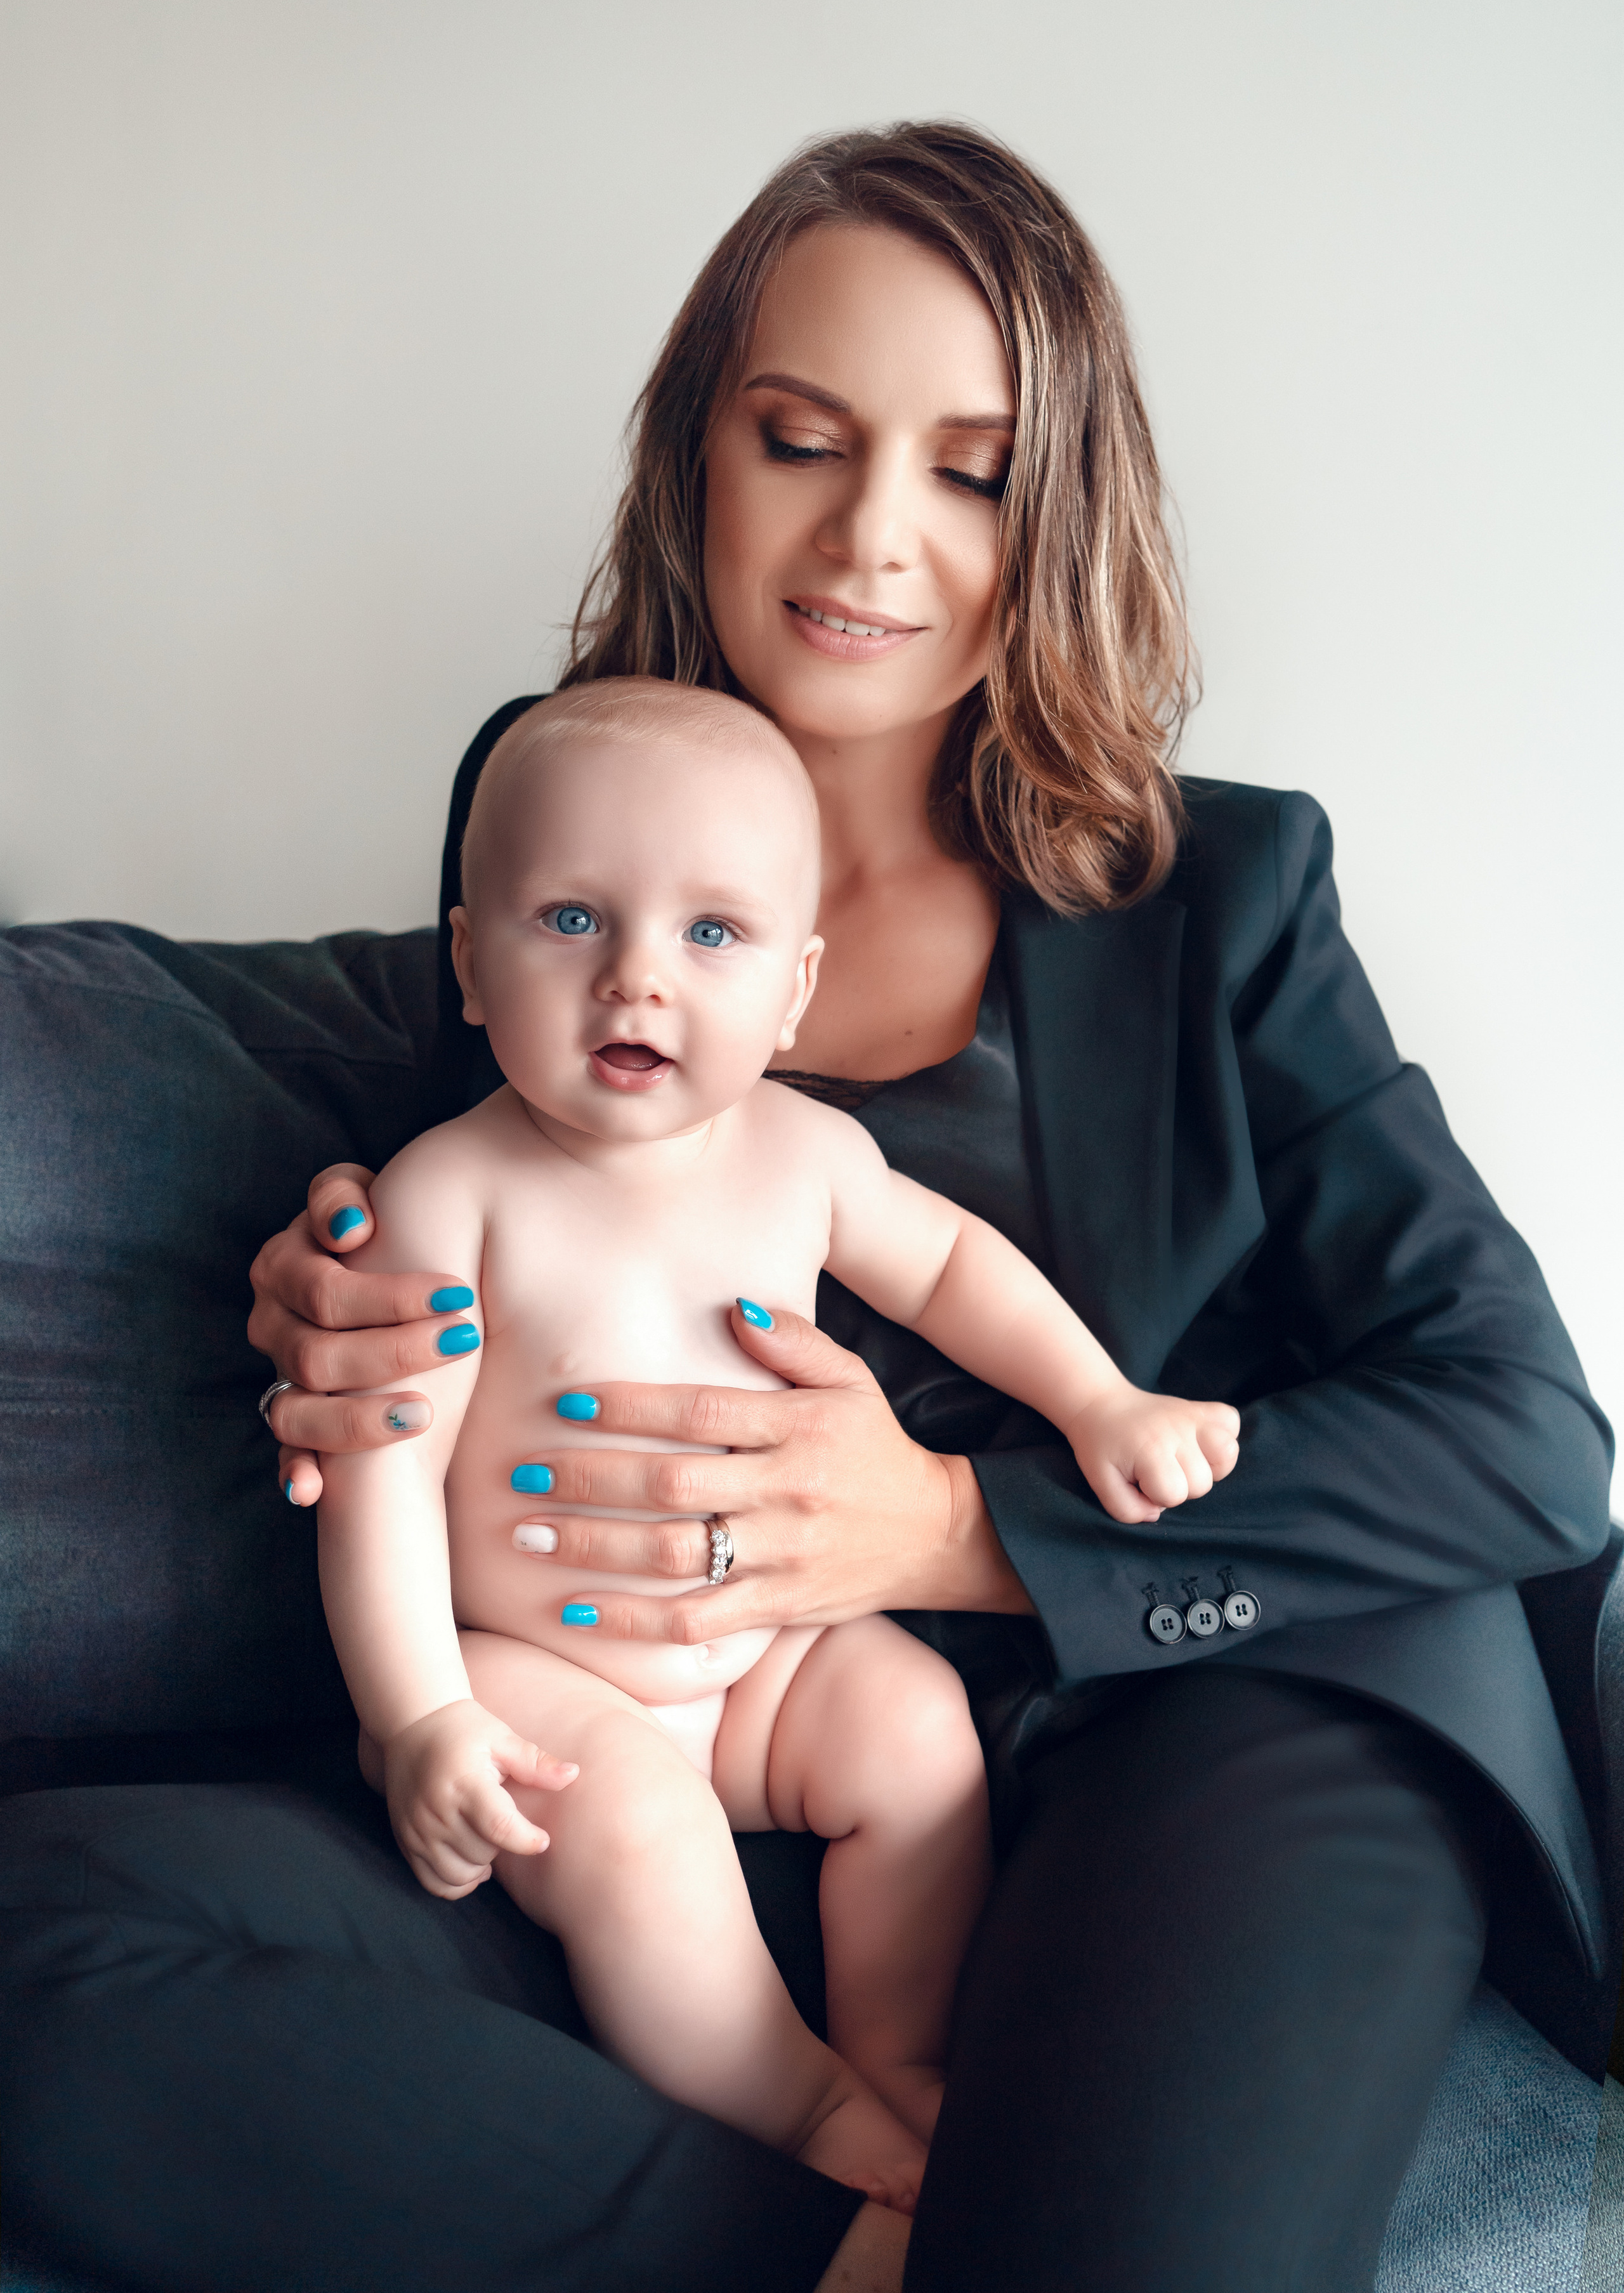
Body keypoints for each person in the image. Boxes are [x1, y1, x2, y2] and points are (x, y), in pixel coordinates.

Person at [0, 122, 1611, 2293]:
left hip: (1199, 1730)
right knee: (46, 1951)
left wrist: (952, 1535)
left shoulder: (1221, 898)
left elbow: (1522, 1435)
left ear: (1057, 514)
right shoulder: (568, 792)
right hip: (640, 1761)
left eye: (967, 466)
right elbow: (457, 1183)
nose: (871, 538)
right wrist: (327, 1293)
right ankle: (814, 2239)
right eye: (802, 440)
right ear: (700, 462)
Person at [316, 676, 1240, 2212]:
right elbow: (381, 1482)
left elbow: (951, 1272)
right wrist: (419, 1716)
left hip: (761, 1663)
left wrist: (1100, 1402)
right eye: (568, 922)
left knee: (914, 1729)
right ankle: (803, 2112)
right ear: (469, 962)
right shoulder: (446, 1195)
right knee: (639, 1828)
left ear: (794, 991)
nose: (636, 983)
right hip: (532, 1670)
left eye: (711, 935)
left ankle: (900, 2053)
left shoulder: (807, 1154)